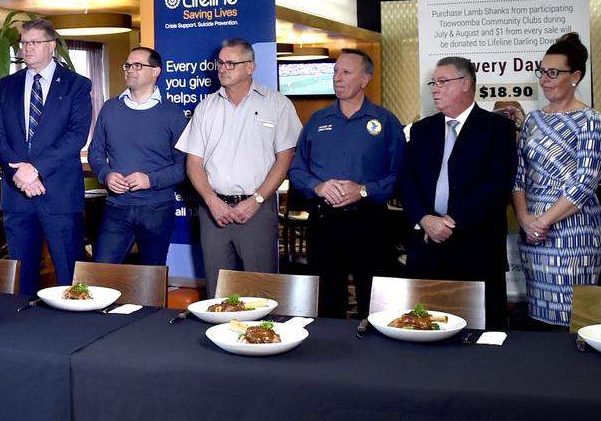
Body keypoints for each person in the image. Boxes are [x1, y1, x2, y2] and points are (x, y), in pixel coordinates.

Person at [397, 56, 516, 330]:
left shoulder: (497, 129)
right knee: (423, 323)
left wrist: (450, 223)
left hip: (476, 246)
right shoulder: (422, 129)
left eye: (442, 82)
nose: (435, 88)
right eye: (433, 83)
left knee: (480, 329)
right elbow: (406, 180)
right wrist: (425, 218)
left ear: (465, 83)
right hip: (427, 244)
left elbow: (497, 185)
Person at [289, 48, 404, 318]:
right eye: (335, 72)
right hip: (324, 222)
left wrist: (363, 190)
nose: (337, 78)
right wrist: (318, 186)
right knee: (327, 302)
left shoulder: (385, 122)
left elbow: (400, 175)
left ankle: (375, 357)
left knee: (374, 302)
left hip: (370, 223)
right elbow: (297, 169)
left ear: (365, 79)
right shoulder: (317, 121)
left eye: (346, 72)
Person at [176, 38, 301, 283]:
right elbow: (193, 162)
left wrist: (256, 200)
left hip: (257, 209)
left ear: (250, 67)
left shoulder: (278, 105)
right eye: (220, 63)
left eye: (231, 64)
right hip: (214, 212)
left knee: (261, 290)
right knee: (218, 290)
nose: (222, 69)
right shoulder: (205, 108)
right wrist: (212, 201)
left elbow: (285, 159)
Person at [0, 18, 92, 294]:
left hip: (59, 195)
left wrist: (35, 169)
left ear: (51, 46)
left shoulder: (76, 85)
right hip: (17, 194)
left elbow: (77, 135)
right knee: (22, 279)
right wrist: (19, 173)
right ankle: (23, 331)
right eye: (24, 43)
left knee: (70, 278)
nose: (27, 49)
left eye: (34, 43)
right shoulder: (7, 86)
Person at [512, 32, 601, 329]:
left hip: (574, 234)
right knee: (538, 319)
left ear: (575, 76)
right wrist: (525, 218)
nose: (545, 79)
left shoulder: (590, 119)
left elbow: (585, 181)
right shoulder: (532, 120)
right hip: (532, 236)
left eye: (553, 73)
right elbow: (518, 176)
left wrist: (543, 222)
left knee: (574, 320)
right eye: (542, 72)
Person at [88, 46, 188, 265]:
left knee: (150, 279)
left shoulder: (173, 113)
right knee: (100, 274)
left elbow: (185, 166)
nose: (130, 70)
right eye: (127, 65)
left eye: (137, 65)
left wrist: (150, 180)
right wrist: (106, 175)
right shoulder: (110, 108)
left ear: (156, 72)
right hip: (116, 208)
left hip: (157, 210)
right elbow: (95, 153)